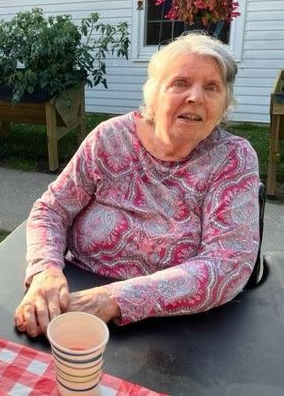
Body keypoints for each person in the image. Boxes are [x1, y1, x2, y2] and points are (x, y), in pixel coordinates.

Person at [15, 33, 260, 337]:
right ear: (153, 96)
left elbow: (228, 264)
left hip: (174, 327)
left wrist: (114, 299)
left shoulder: (233, 159)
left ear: (224, 104)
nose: (196, 97)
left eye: (211, 87)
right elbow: (51, 210)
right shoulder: (110, 138)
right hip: (75, 296)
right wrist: (45, 271)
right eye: (180, 83)